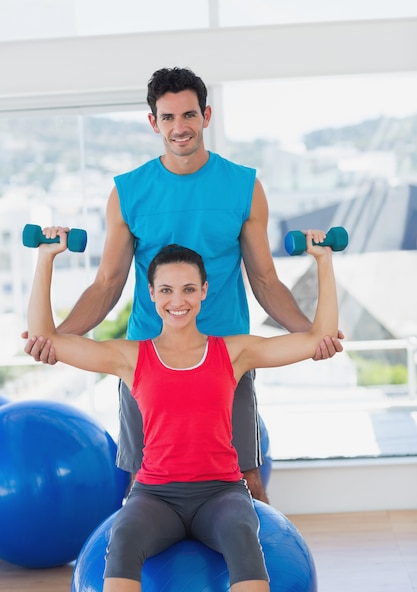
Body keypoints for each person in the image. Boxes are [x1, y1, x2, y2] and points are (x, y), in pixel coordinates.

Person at [23, 67, 343, 502]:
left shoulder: (245, 187)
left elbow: (265, 280)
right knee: (142, 483)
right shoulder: (128, 192)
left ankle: (258, 568)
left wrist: (311, 336)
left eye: (189, 115)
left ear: (206, 115)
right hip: (147, 361)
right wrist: (60, 340)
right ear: (153, 122)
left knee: (247, 478)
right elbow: (107, 284)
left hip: (226, 357)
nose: (180, 128)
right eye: (168, 118)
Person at [26, 228, 339, 592]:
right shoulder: (131, 357)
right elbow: (43, 337)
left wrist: (324, 261)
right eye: (167, 290)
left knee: (245, 537)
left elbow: (320, 338)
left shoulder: (233, 352)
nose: (178, 300)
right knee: (122, 539)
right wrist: (46, 257)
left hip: (221, 492)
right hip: (156, 496)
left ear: (205, 291)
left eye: (189, 289)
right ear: (152, 294)